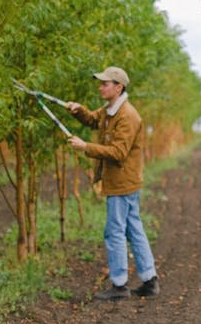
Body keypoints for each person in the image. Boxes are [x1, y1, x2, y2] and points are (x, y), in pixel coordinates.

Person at [65, 66, 159, 301]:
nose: (101, 86)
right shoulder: (111, 110)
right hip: (123, 181)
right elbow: (93, 120)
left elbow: (118, 152)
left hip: (122, 183)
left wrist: (85, 147)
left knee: (114, 231)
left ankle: (119, 286)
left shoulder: (127, 116)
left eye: (105, 83)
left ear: (119, 87)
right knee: (133, 228)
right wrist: (78, 111)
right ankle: (149, 279)